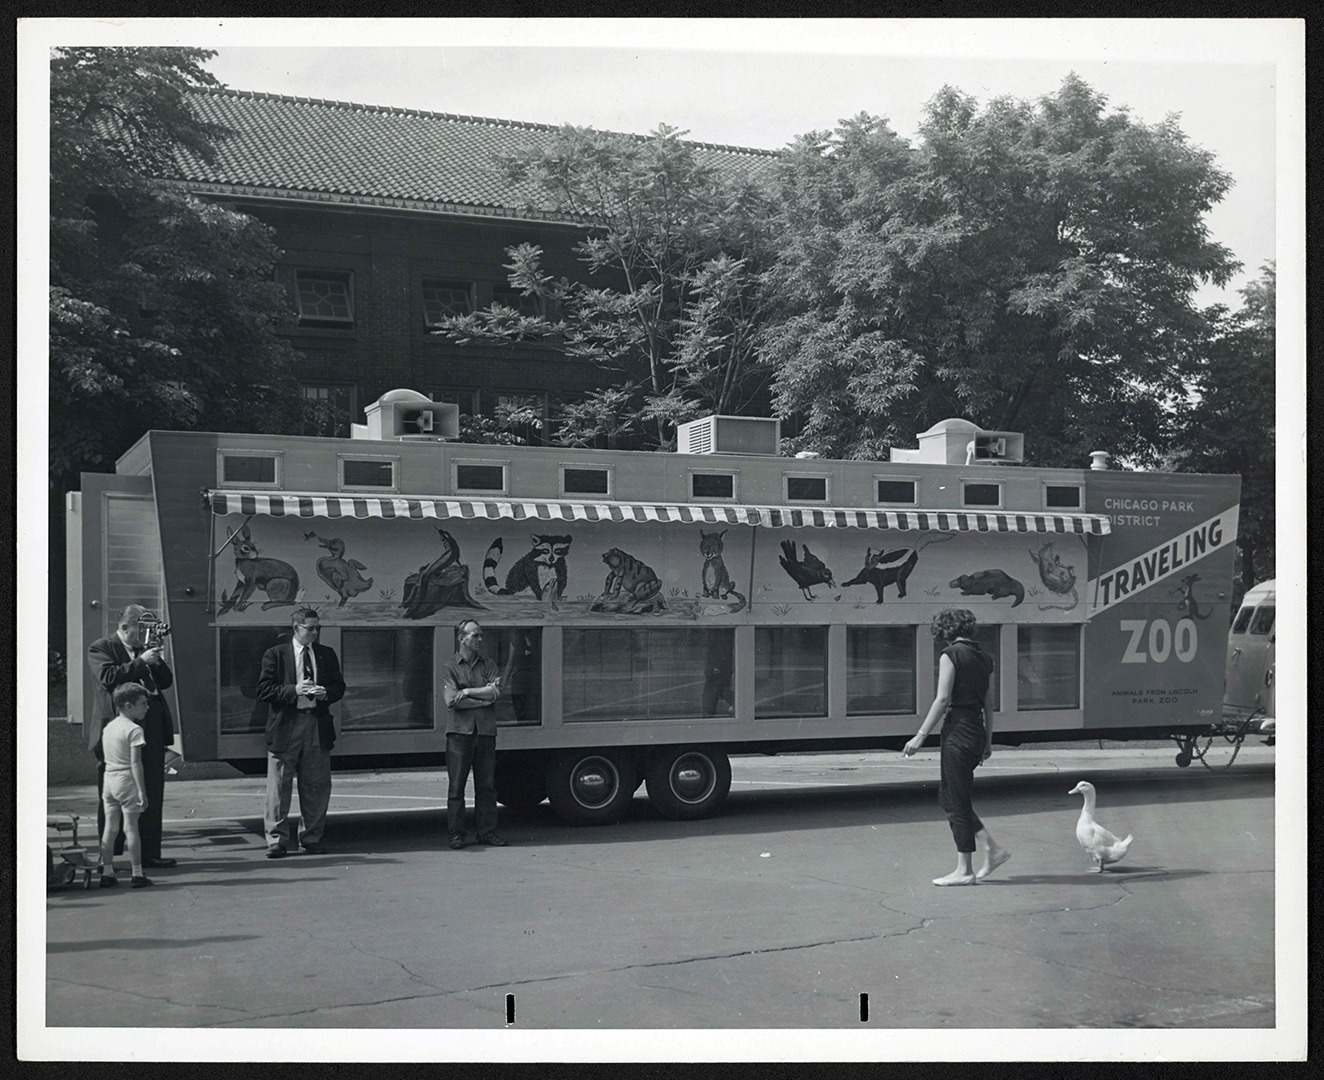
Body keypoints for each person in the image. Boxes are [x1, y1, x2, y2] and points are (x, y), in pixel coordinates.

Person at [903, 608, 1010, 886]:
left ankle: (965, 870)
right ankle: (992, 849)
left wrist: (920, 735)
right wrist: (987, 740)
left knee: (956, 801)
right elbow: (988, 704)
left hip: (958, 731)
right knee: (948, 797)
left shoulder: (951, 655)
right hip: (975, 731)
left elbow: (941, 699)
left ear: (945, 630)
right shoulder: (985, 658)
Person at [87, 604, 177, 869]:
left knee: (150, 788)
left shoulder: (144, 651)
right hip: (116, 730)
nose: (144, 637)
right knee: (112, 789)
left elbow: (166, 682)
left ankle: (148, 853)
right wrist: (141, 662)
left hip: (150, 728)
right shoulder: (102, 647)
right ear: (125, 628)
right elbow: (108, 677)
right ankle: (110, 854)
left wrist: (156, 659)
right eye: (141, 631)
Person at [256, 608, 345, 858]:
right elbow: (263, 689)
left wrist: (325, 692)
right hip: (287, 724)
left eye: (318, 628)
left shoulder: (326, 654)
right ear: (295, 628)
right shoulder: (276, 654)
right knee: (279, 785)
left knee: (316, 785)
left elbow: (339, 686)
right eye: (310, 628)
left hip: (316, 723)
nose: (315, 633)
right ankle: (276, 840)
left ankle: (311, 837)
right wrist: (293, 689)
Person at [441, 619, 506, 849]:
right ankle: (456, 834)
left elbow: (496, 692)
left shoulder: (489, 664)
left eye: (481, 635)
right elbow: (451, 701)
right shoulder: (449, 666)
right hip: (459, 733)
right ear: (461, 638)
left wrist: (466, 692)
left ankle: (486, 832)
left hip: (486, 732)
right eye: (475, 635)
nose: (480, 640)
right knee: (456, 787)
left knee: (486, 786)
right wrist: (483, 699)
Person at [97, 683, 155, 888]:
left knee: (110, 828)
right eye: (143, 704)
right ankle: (137, 873)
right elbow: (135, 762)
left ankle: (107, 872)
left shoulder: (109, 727)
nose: (146, 707)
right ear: (128, 706)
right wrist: (142, 790)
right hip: (126, 779)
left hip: (109, 779)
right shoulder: (135, 729)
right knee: (131, 828)